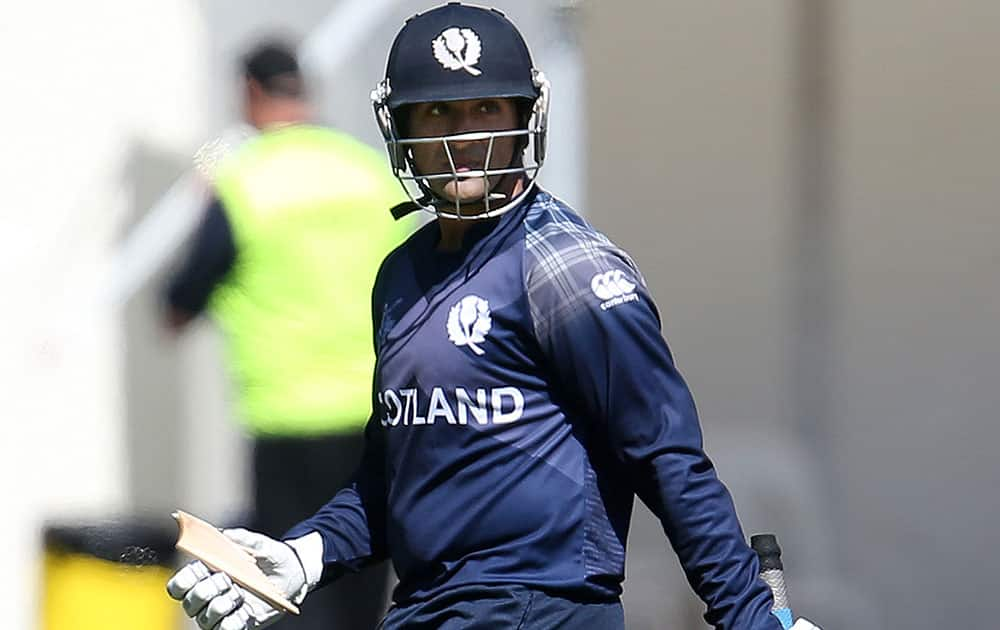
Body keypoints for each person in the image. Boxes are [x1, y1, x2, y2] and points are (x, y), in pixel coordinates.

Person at [166, 5, 822, 629]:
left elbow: (669, 462)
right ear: (402, 128)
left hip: (542, 611)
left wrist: (748, 616)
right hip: (425, 609)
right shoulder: (401, 274)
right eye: (438, 112)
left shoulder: (570, 269)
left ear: (524, 115)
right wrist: (304, 556)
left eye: (486, 107)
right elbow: (394, 479)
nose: (463, 134)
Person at [163, 41, 407, 630]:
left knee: (283, 592)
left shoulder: (243, 180)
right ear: (304, 90)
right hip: (377, 412)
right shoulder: (370, 170)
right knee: (359, 591)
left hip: (287, 420)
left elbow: (179, 303)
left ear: (249, 91)